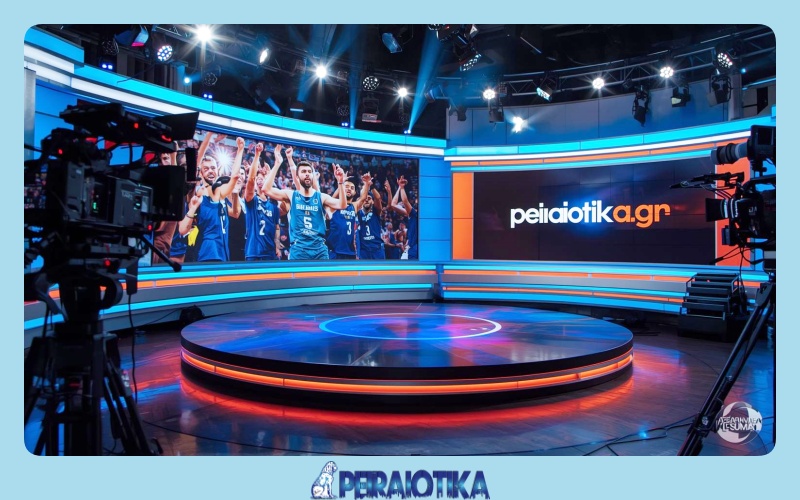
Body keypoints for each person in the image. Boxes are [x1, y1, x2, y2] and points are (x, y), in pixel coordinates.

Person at [263, 145, 347, 260]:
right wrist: (277, 163)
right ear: (297, 177)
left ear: (313, 176)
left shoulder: (321, 197)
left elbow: (342, 204)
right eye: (303, 171)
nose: (307, 173)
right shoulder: (291, 195)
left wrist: (340, 183)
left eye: (309, 171)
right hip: (299, 249)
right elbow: (266, 189)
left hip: (319, 250)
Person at [178, 134, 244, 262]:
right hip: (207, 253)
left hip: (223, 252)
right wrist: (209, 135)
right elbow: (182, 230)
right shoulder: (198, 193)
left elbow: (235, 177)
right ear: (200, 173)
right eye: (206, 169)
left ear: (218, 171)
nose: (210, 171)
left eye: (213, 168)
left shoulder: (219, 192)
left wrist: (240, 149)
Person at [242, 142, 284, 260]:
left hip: (270, 253)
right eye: (258, 178)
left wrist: (277, 245)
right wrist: (257, 155)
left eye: (263, 178)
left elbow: (277, 228)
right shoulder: (252, 200)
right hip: (254, 253)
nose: (259, 180)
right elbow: (251, 180)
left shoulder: (273, 205)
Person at [325, 171, 371, 259]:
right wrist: (341, 182)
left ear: (355, 192)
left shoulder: (354, 206)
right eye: (346, 187)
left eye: (352, 188)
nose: (349, 189)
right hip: (334, 251)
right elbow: (331, 198)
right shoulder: (335, 205)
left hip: (350, 251)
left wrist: (367, 184)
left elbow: (363, 198)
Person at [389, 175, 418, 260]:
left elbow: (404, 201)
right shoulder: (412, 213)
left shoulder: (414, 213)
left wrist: (401, 187)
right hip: (412, 247)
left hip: (416, 248)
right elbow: (393, 204)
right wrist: (399, 187)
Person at [357, 174, 385, 259]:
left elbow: (378, 198)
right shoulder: (357, 212)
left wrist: (370, 185)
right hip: (363, 251)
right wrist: (365, 186)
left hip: (377, 250)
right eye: (365, 199)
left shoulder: (376, 211)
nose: (366, 200)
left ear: (372, 201)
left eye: (369, 198)